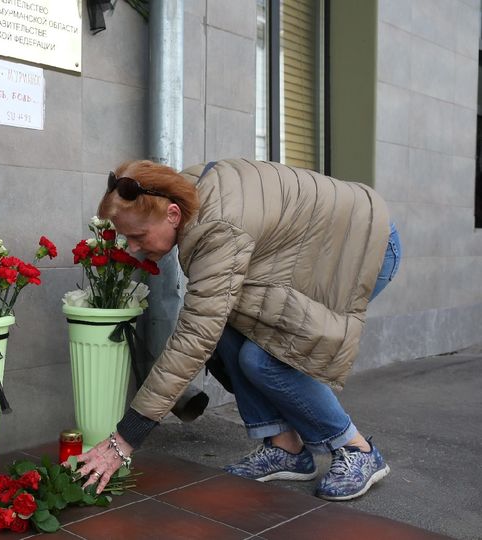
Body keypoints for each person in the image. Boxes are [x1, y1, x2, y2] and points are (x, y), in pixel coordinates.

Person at [74, 158, 401, 502]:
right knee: (231, 333)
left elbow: (195, 336)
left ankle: (357, 449)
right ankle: (285, 448)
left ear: (172, 215)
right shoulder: (173, 193)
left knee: (266, 360)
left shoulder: (216, 226)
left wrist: (124, 439)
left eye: (138, 236)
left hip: (359, 246)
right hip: (311, 246)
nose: (134, 248)